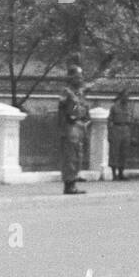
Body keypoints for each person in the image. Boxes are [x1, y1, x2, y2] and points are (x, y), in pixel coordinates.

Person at [58, 64, 90, 195]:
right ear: (71, 77)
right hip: (70, 126)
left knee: (78, 155)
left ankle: (74, 182)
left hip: (80, 126)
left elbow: (84, 110)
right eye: (78, 76)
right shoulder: (66, 92)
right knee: (70, 157)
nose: (80, 79)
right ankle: (69, 184)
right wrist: (62, 128)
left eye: (81, 76)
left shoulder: (80, 93)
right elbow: (61, 110)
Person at [108, 89, 133, 181]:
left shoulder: (129, 107)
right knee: (114, 152)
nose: (127, 98)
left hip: (126, 129)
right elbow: (110, 121)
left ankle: (121, 173)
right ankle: (114, 174)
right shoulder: (114, 107)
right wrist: (110, 134)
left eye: (128, 96)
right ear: (121, 96)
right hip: (116, 128)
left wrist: (131, 134)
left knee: (124, 152)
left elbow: (131, 121)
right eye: (125, 96)